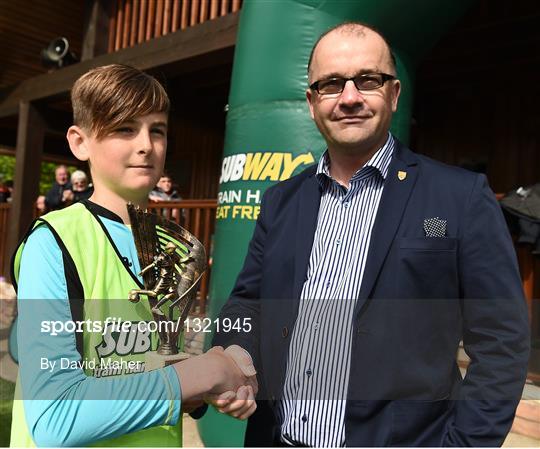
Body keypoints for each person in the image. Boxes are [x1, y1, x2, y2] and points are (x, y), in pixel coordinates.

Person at [212, 22, 530, 447]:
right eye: (331, 84)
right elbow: (246, 304)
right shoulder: (280, 201)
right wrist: (235, 354)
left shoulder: (460, 198)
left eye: (367, 80)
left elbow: (501, 342)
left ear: (394, 94)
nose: (349, 98)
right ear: (311, 102)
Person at [10, 64, 256, 447]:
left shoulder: (173, 246)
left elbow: (153, 363)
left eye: (157, 130)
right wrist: (203, 373)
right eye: (125, 128)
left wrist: (206, 391)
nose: (146, 144)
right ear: (80, 142)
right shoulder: (53, 242)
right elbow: (54, 417)